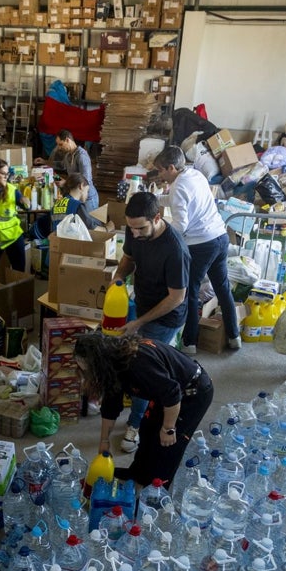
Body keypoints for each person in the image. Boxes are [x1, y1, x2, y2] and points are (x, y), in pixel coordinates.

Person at [105, 192, 190, 453]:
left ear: (158, 216)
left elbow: (177, 297)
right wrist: (119, 277)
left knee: (143, 368)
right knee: (125, 357)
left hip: (166, 316)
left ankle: (134, 425)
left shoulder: (175, 250)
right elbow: (128, 259)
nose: (135, 233)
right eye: (131, 228)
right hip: (141, 303)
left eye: (141, 228)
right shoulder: (135, 229)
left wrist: (139, 322)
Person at [77, 331, 214, 487]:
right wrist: (104, 440)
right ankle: (138, 474)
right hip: (164, 394)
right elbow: (111, 407)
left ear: (100, 363)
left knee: (166, 445)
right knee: (147, 431)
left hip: (191, 393)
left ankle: (157, 490)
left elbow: (172, 394)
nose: (85, 373)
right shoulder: (113, 365)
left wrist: (168, 429)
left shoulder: (138, 363)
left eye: (88, 369)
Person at [152, 146, 241, 355]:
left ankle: (190, 343)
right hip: (220, 236)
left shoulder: (178, 187)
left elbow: (180, 225)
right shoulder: (195, 175)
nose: (160, 175)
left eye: (161, 170)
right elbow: (175, 200)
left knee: (189, 292)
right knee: (222, 288)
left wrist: (158, 227)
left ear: (171, 168)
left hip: (202, 244)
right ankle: (234, 336)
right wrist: (154, 199)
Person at [52, 129, 98, 210]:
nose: (59, 148)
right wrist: (44, 162)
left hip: (87, 198)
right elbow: (62, 165)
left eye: (61, 144)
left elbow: (85, 181)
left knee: (88, 222)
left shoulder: (81, 156)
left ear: (67, 140)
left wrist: (66, 183)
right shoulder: (68, 155)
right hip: (78, 196)